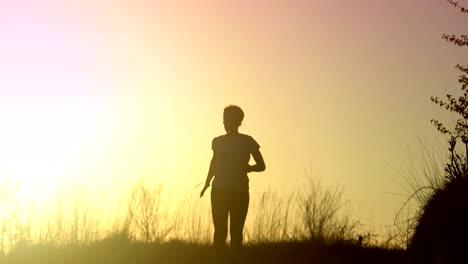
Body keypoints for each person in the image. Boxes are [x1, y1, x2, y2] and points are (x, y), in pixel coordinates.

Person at [200, 105, 266, 251]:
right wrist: (207, 183)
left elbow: (262, 165)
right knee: (219, 232)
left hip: (240, 191)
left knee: (236, 233)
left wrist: (248, 168)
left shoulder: (248, 141)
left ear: (238, 122)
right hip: (219, 190)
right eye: (224, 120)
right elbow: (214, 162)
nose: (226, 124)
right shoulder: (217, 141)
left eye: (230, 120)